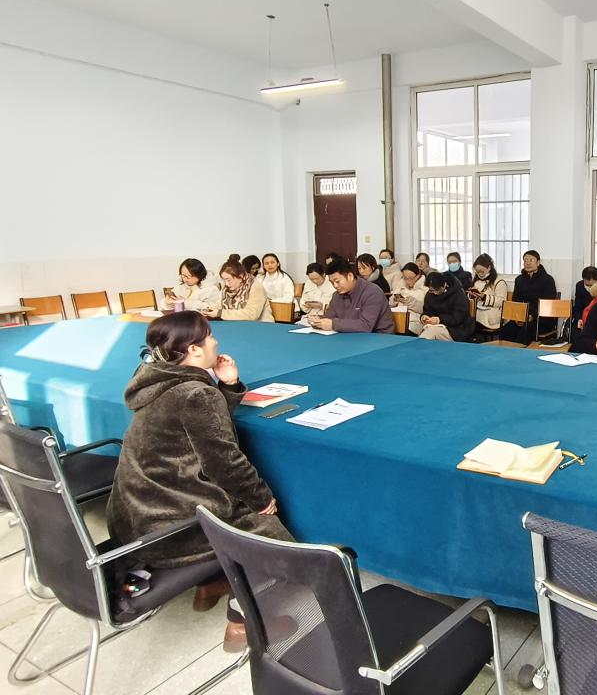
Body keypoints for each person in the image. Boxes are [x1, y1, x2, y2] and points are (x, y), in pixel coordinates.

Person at [106, 312, 293, 651]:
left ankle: (211, 583)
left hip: (133, 515)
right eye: (209, 337)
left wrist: (228, 386)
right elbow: (225, 462)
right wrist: (261, 499)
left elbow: (201, 426)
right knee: (270, 535)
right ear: (193, 349)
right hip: (169, 527)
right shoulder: (196, 394)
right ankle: (244, 623)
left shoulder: (156, 380)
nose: (215, 342)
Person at [309, 258, 395, 334]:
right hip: (351, 336)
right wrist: (318, 321)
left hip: (379, 338)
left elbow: (366, 325)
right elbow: (330, 317)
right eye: (332, 282)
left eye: (337, 281)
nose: (335, 286)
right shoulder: (337, 295)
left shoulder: (372, 292)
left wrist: (333, 324)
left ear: (350, 276)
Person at [499, 250, 558, 345]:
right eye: (525, 260)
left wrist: (532, 316)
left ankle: (519, 353)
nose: (528, 263)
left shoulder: (548, 280)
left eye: (531, 260)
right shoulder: (519, 280)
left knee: (524, 332)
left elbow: (547, 304)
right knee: (506, 331)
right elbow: (516, 300)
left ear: (538, 262)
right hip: (523, 317)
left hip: (541, 319)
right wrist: (518, 317)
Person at [207, 258, 273, 322]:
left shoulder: (255, 287)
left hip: (261, 324)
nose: (226, 283)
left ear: (241, 277)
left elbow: (252, 314)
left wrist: (221, 313)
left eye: (229, 280)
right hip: (237, 324)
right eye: (224, 280)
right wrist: (209, 310)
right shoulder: (227, 288)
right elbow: (219, 305)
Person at [419, 272, 475, 342]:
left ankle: (418, 347)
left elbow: (459, 317)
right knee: (427, 330)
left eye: (437, 290)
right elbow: (428, 310)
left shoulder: (458, 294)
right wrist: (425, 317)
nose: (435, 293)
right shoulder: (430, 294)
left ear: (444, 285)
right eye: (431, 290)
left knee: (431, 332)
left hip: (457, 329)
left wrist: (439, 320)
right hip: (438, 326)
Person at [468, 254, 508, 334]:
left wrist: (485, 297)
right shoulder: (477, 281)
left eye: (482, 271)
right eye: (477, 272)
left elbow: (502, 301)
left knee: (472, 319)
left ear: (489, 268)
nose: (480, 274)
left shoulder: (499, 282)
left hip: (492, 313)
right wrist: (472, 295)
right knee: (467, 315)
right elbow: (473, 300)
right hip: (479, 310)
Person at [391, 262, 427, 335]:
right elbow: (390, 304)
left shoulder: (425, 289)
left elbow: (425, 309)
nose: (407, 281)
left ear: (418, 276)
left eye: (410, 278)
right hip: (398, 319)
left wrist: (410, 302)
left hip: (415, 321)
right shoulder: (400, 286)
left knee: (405, 330)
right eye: (405, 278)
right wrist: (394, 299)